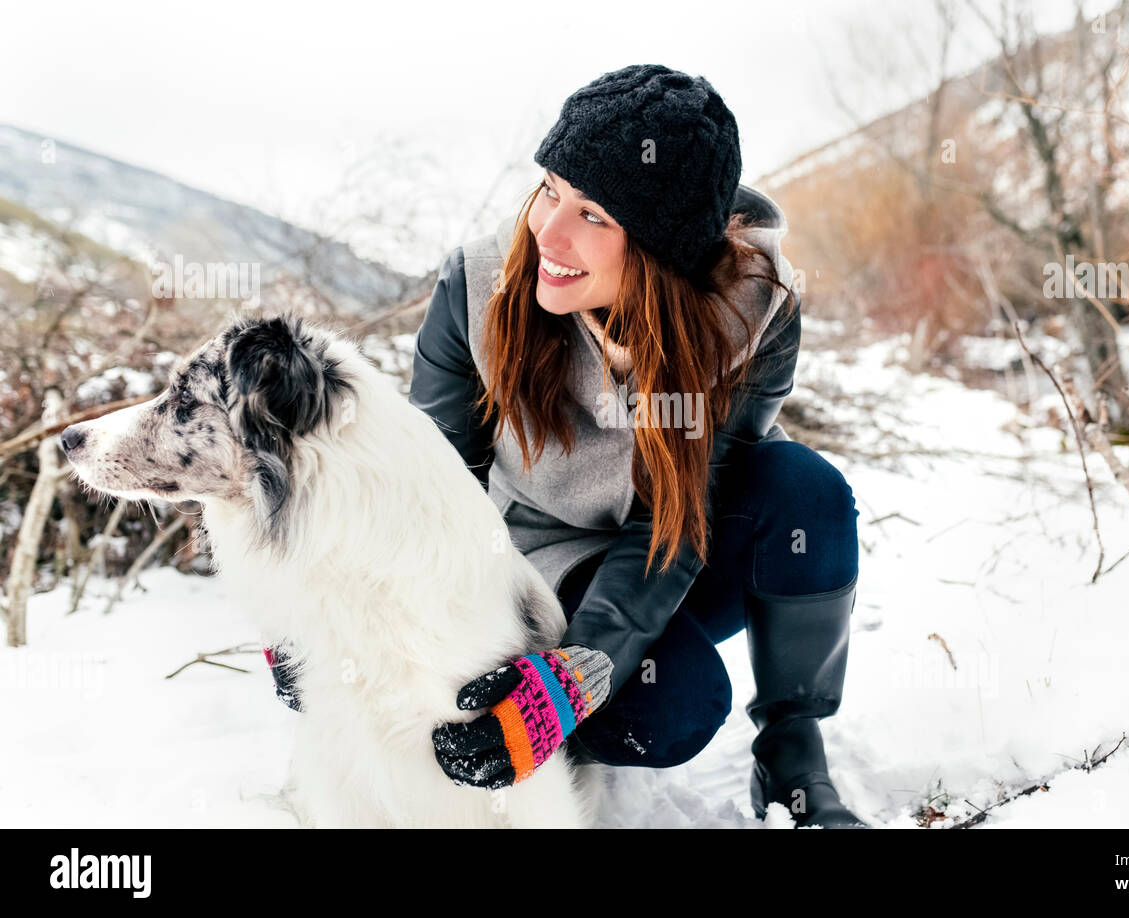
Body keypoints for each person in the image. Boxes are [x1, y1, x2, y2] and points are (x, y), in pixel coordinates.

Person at [271, 64, 866, 828]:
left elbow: (674, 521)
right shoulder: (477, 290)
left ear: (659, 250)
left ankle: (792, 748)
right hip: (536, 560)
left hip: (674, 552)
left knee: (803, 489)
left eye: (593, 215)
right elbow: (423, 488)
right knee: (672, 705)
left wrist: (571, 681)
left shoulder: (752, 316)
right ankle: (506, 725)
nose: (547, 233)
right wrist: (329, 613)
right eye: (549, 189)